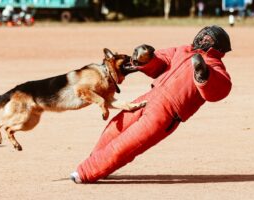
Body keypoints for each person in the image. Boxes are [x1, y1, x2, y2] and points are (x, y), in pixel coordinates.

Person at [70, 25, 233, 183]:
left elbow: (220, 89)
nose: (203, 38)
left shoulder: (215, 66)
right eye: (204, 34)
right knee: (114, 128)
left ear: (218, 47)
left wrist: (203, 75)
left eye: (209, 38)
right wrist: (147, 58)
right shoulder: (182, 50)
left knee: (127, 144)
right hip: (149, 98)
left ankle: (86, 172)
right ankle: (98, 164)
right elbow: (161, 62)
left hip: (166, 113)